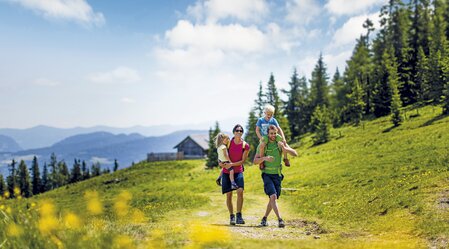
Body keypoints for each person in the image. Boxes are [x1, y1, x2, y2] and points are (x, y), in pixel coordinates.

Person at [253, 125, 298, 228]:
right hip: (267, 175)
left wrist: (284, 147)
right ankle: (280, 220)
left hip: (277, 175)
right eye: (271, 133)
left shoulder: (280, 143)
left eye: (274, 133)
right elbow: (255, 161)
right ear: (268, 134)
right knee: (273, 197)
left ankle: (264, 218)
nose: (273, 135)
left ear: (277, 133)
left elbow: (295, 154)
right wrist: (264, 158)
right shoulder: (262, 145)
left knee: (272, 199)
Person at [219, 124, 250, 225]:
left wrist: (232, 164)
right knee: (229, 195)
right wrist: (220, 163)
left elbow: (242, 161)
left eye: (241, 131)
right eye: (237, 130)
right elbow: (221, 154)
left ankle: (239, 216)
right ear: (233, 132)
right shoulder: (228, 143)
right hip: (226, 172)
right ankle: (232, 216)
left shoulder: (245, 145)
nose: (239, 132)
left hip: (238, 171)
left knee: (240, 191)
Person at [256, 104, 293, 169]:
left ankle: (285, 158)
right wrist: (261, 138)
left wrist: (283, 138)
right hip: (265, 137)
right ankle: (262, 162)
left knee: (283, 143)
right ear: (265, 113)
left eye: (271, 114)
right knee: (262, 145)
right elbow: (257, 130)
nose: (269, 116)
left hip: (274, 135)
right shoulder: (260, 120)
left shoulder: (273, 120)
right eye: (268, 114)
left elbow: (279, 129)